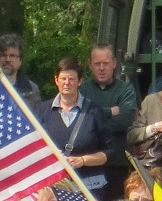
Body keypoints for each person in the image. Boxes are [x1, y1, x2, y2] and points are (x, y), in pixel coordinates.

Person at [36, 58, 110, 193]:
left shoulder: (94, 111)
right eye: (63, 78)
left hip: (90, 187)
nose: (67, 83)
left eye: (71, 79)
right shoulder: (43, 110)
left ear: (80, 81)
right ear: (56, 80)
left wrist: (83, 160)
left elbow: (110, 152)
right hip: (55, 186)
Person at [81, 43, 140, 183]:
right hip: (89, 164)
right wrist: (110, 111)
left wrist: (92, 121)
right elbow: (79, 119)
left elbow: (126, 119)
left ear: (114, 63)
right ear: (89, 64)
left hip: (117, 164)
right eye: (97, 64)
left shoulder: (126, 90)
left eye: (106, 63)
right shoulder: (82, 90)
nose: (102, 68)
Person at [0, 32, 38, 100]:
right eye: (3, 55)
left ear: (20, 60)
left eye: (12, 56)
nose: (7, 59)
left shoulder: (31, 90)